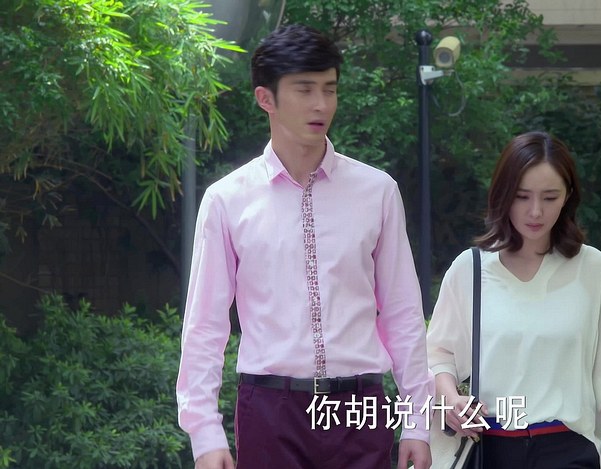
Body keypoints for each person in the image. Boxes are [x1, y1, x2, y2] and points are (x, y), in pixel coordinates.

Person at [176, 24, 433, 469]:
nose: (321, 104)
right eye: (305, 89)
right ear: (266, 98)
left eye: (329, 89)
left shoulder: (377, 191)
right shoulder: (227, 200)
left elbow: (402, 312)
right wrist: (205, 434)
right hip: (269, 409)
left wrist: (417, 420)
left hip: (360, 408)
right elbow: (205, 325)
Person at [426, 131, 601, 469]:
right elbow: (438, 354)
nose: (535, 211)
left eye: (550, 197)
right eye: (522, 196)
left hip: (568, 448)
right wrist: (451, 399)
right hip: (489, 447)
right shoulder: (471, 269)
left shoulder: (593, 268)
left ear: (568, 196)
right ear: (503, 195)